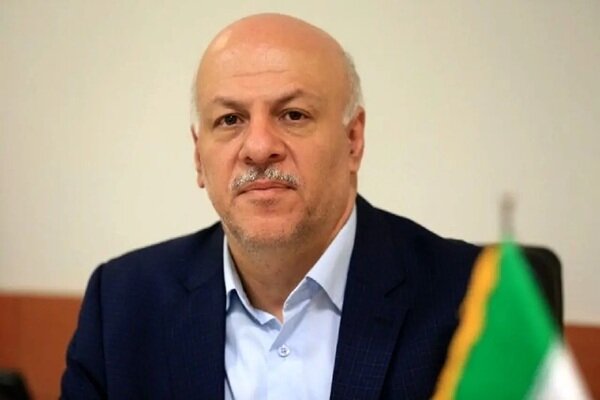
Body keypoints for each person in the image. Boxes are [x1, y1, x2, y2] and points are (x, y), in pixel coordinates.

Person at [61, 13, 479, 399]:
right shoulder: (122, 304)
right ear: (198, 156)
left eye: (293, 115)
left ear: (353, 140)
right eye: (230, 120)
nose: (259, 148)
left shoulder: (474, 298)